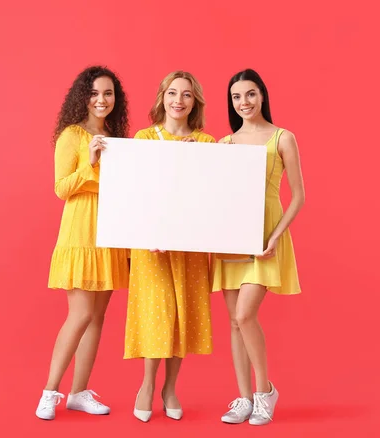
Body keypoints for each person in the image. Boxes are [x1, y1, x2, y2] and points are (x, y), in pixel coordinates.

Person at [35, 66, 130, 420]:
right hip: (80, 232)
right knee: (80, 315)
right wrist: (90, 163)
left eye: (108, 93)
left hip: (111, 233)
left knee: (98, 318)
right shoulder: (71, 136)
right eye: (94, 93)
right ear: (83, 97)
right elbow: (61, 188)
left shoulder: (119, 139)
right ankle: (50, 391)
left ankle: (78, 392)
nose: (101, 100)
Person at [211, 69, 305, 426]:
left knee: (245, 314)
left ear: (262, 95)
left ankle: (265, 392)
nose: (244, 103)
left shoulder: (282, 138)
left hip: (265, 237)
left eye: (250, 94)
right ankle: (243, 397)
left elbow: (298, 196)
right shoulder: (225, 144)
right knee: (234, 323)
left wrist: (276, 236)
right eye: (236, 97)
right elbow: (213, 194)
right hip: (232, 237)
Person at [124, 71, 215, 422]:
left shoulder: (207, 144)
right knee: (157, 313)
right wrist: (148, 234)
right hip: (152, 246)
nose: (179, 100)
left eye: (187, 95)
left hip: (189, 247)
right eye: (173, 93)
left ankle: (171, 387)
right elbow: (137, 192)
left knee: (182, 316)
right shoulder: (143, 138)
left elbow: (211, 197)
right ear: (162, 97)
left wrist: (203, 161)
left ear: (195, 102)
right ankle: (147, 385)